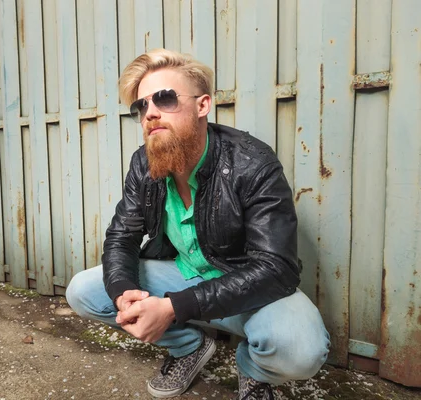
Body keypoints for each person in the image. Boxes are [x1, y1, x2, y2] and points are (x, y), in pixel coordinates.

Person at [66, 48, 330, 400]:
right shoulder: (144, 163)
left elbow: (276, 269)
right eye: (141, 106)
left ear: (203, 104)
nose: (151, 113)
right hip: (181, 274)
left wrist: (174, 308)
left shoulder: (252, 162)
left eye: (164, 98)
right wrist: (124, 290)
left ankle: (253, 371)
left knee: (300, 350)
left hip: (246, 285)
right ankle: (188, 347)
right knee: (84, 291)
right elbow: (122, 235)